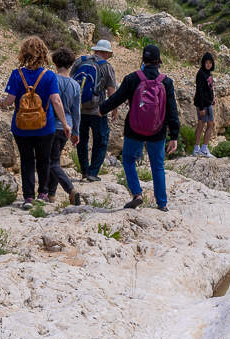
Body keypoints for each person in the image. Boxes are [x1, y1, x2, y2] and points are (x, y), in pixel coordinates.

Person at [101, 43, 180, 211]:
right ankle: (162, 204)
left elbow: (117, 98)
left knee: (129, 160)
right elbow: (172, 110)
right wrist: (174, 136)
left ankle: (137, 194)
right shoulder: (166, 82)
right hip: (158, 130)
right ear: (159, 61)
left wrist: (100, 110)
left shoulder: (132, 78)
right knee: (157, 165)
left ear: (143, 60)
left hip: (134, 128)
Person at [1, 36, 70, 207]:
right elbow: (56, 100)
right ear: (43, 54)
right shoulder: (49, 76)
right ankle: (43, 194)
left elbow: (9, 101)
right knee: (44, 160)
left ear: (23, 54)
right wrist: (65, 123)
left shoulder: (16, 75)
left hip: (21, 127)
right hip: (44, 126)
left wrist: (1, 103)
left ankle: (28, 197)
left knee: (26, 160)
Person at [72, 38, 118, 180]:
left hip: (79, 109)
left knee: (82, 141)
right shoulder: (106, 66)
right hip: (98, 111)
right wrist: (114, 110)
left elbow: (71, 82)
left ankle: (85, 171)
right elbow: (111, 91)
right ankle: (93, 173)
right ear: (106, 53)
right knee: (101, 140)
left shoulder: (80, 61)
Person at [47, 48, 82, 206]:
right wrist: (76, 131)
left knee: (50, 162)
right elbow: (76, 111)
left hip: (50, 125)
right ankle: (51, 195)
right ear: (71, 64)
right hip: (67, 126)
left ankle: (70, 189)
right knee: (55, 160)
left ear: (55, 62)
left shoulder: (51, 79)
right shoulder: (75, 85)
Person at [192, 51, 217, 157]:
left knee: (209, 124)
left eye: (210, 63)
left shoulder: (208, 74)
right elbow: (200, 91)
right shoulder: (201, 74)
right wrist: (201, 107)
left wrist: (213, 98)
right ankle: (199, 149)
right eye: (206, 62)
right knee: (202, 125)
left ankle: (202, 148)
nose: (208, 64)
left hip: (208, 103)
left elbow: (210, 88)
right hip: (202, 104)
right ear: (203, 63)